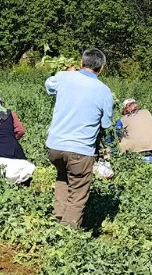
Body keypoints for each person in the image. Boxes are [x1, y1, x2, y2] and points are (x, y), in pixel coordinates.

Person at [44, 49, 115, 228]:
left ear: (81, 63)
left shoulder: (64, 76)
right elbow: (106, 124)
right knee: (78, 193)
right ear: (102, 69)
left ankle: (58, 218)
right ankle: (67, 232)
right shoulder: (104, 91)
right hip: (80, 150)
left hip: (54, 147)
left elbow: (48, 85)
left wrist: (67, 72)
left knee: (62, 177)